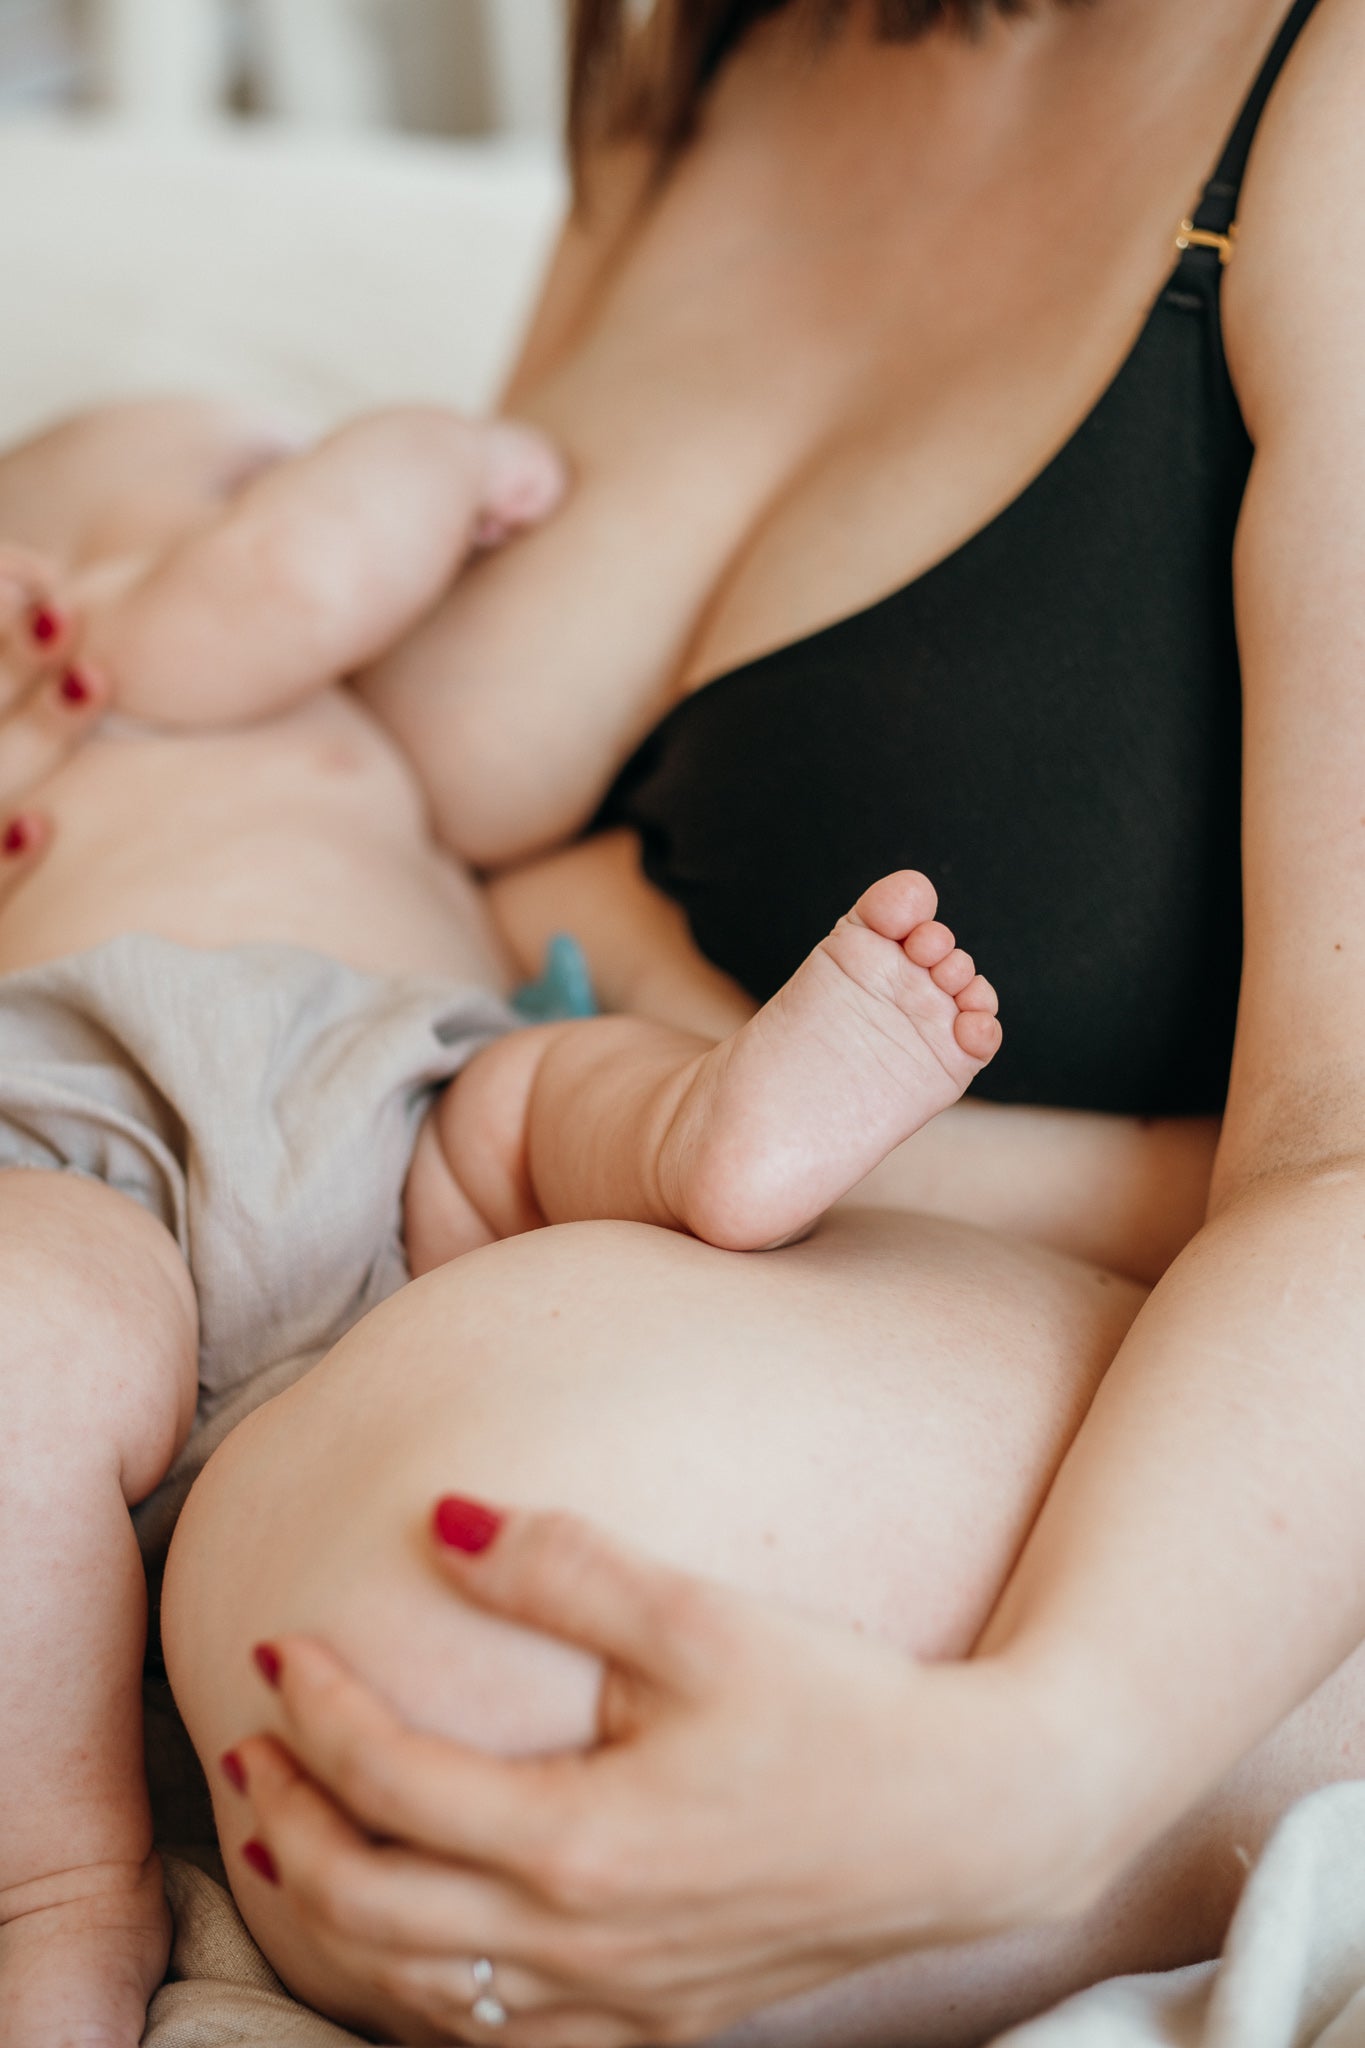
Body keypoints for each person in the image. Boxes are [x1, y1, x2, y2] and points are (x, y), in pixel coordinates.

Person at [8, 0, 1365, 2040]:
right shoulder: (695, 40)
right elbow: (527, 850)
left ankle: (1276, 1713)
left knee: (445, 1639)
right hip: (545, 1171)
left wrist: (1051, 1770)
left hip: (1253, 1365)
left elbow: (1335, 1151)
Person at [0, 395, 1001, 2048]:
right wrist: (427, 455)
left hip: (388, 1092)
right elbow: (299, 574)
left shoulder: (346, 743)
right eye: (240, 473)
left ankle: (714, 1135)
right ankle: (52, 1881)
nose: (280, 484)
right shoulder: (124, 659)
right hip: (94, 1123)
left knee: (548, 1096)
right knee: (33, 1331)